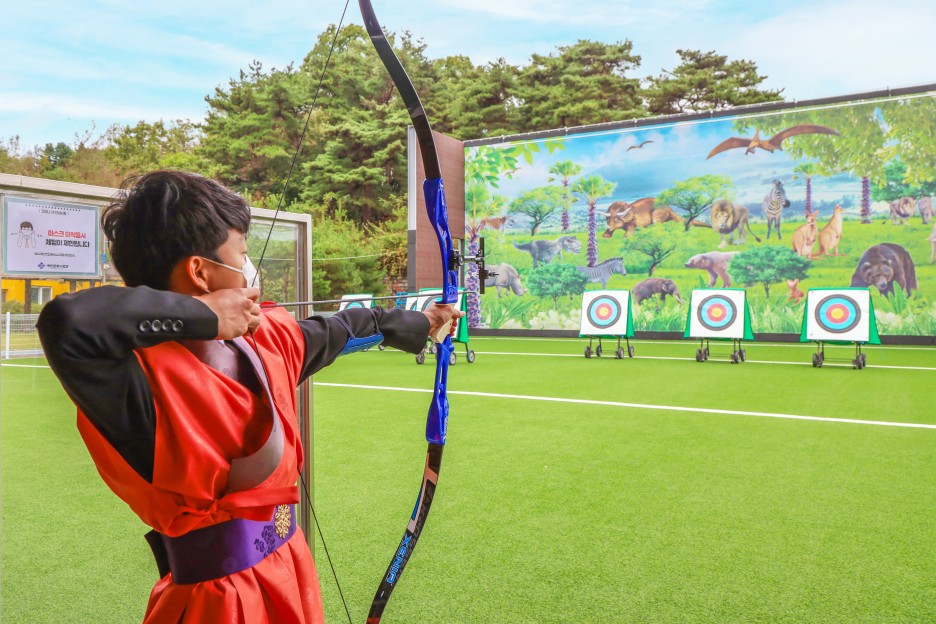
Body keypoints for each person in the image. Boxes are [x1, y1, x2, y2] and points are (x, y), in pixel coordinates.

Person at [37, 170, 462, 623]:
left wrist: (422, 321)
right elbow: (68, 322)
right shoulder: (135, 379)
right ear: (200, 272)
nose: (249, 269)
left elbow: (341, 329)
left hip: (288, 567)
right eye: (241, 254)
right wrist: (203, 315)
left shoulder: (263, 337)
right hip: (219, 601)